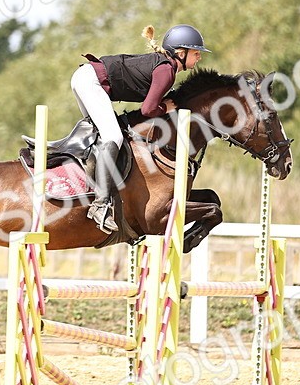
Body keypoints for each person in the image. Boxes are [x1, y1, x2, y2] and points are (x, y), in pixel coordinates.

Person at [73, 24, 210, 233]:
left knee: (101, 137)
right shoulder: (167, 70)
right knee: (113, 137)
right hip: (90, 82)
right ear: (181, 53)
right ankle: (100, 205)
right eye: (196, 53)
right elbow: (148, 110)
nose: (199, 57)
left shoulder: (165, 66)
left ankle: (89, 188)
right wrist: (165, 107)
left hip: (86, 77)